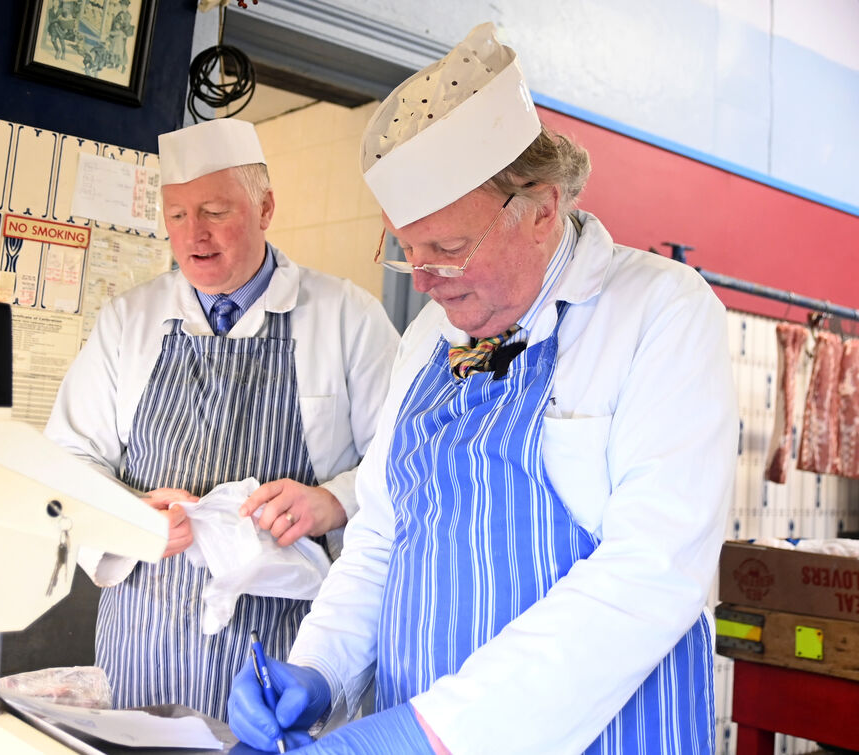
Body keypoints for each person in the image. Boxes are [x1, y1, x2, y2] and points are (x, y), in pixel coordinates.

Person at [228, 22, 737, 754]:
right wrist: (318, 669)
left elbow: (651, 572)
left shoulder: (661, 311)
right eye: (408, 252)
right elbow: (380, 538)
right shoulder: (427, 338)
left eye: (449, 249)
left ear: (540, 210)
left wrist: (430, 733)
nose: (427, 279)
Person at [45, 118, 400, 721]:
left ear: (265, 208)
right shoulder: (128, 321)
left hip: (289, 648)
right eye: (177, 215)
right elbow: (68, 461)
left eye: (214, 210)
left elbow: (406, 461)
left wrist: (334, 501)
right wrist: (131, 516)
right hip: (144, 643)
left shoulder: (348, 317)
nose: (194, 236)